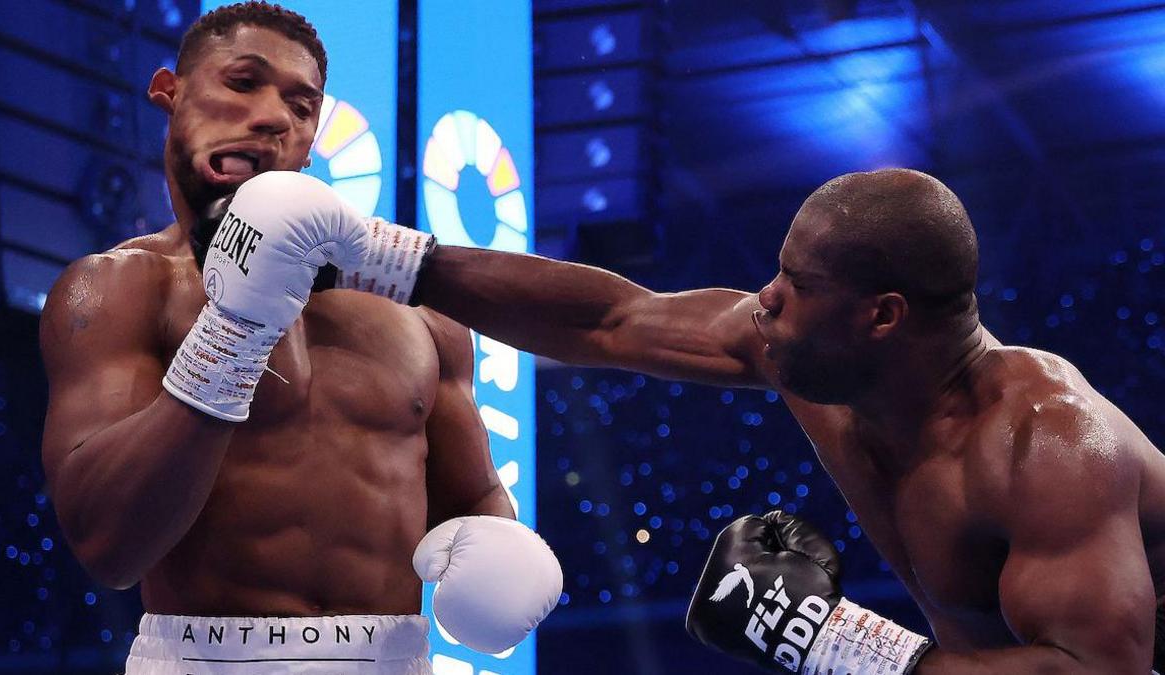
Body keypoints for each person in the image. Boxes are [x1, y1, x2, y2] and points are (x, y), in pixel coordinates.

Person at [356, 167, 1165, 671]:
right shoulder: (805, 355)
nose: (766, 299)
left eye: (796, 283)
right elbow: (610, 320)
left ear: (881, 316)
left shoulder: (1045, 442)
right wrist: (388, 260)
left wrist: (835, 640)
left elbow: (1101, 671)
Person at [38, 4, 560, 674]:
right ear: (171, 92)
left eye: (302, 103)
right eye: (243, 81)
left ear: (311, 139)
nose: (272, 115)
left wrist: (502, 547)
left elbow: (474, 495)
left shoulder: (415, 308)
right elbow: (107, 543)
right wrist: (231, 335)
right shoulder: (119, 290)